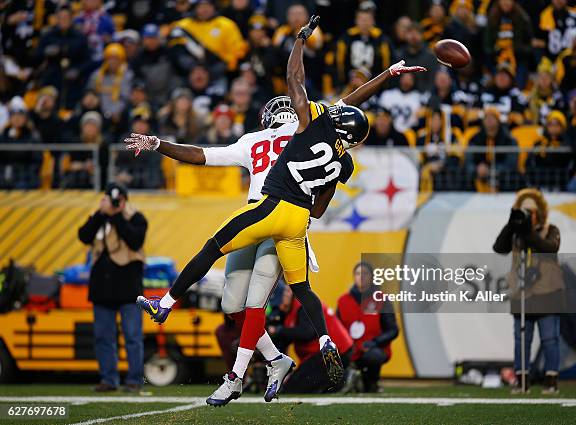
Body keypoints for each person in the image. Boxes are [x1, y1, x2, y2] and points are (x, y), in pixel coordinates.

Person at [127, 15, 424, 406]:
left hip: (266, 211)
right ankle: (279, 357)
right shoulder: (334, 146)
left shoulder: (295, 126)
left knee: (234, 280)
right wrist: (386, 74)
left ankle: (228, 370)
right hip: (294, 220)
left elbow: (202, 155)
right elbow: (348, 110)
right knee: (240, 304)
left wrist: (158, 143)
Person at [77, 183, 147, 393]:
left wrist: (116, 215)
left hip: (129, 287)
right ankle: (108, 380)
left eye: (118, 200)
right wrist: (100, 214)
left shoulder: (136, 218)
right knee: (103, 337)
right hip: (102, 287)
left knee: (133, 337)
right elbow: (83, 236)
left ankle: (134, 380)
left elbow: (135, 241)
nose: (115, 203)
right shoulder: (98, 217)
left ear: (125, 201)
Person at [493, 188, 562, 394]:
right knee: (521, 338)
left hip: (547, 292)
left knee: (550, 338)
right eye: (523, 211)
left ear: (539, 212)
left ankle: (551, 380)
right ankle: (521, 379)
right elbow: (499, 247)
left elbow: (549, 248)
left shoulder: (550, 229)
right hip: (521, 293)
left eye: (531, 212)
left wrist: (528, 231)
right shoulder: (515, 233)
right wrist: (510, 224)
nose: (527, 215)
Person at [270, 284, 354, 394]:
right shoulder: (294, 307)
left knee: (294, 388)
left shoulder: (301, 306)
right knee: (294, 385)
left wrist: (279, 331)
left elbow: (307, 333)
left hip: (336, 352)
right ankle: (337, 381)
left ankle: (344, 378)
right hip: (326, 352)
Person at [337, 262, 398, 393]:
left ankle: (371, 381)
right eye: (358, 273)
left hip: (372, 349)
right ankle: (349, 380)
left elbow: (393, 330)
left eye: (365, 273)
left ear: (371, 277)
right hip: (349, 349)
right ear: (354, 277)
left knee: (373, 356)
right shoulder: (343, 301)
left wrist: (375, 342)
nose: (361, 277)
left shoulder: (382, 299)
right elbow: (337, 328)